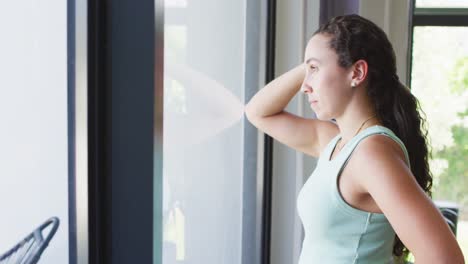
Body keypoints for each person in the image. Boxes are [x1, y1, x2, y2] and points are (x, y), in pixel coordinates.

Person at [245, 14, 465, 264]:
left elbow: (446, 259)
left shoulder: (372, 154)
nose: (305, 86)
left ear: (357, 72)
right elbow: (257, 112)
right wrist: (310, 61)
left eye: (315, 70)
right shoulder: (337, 143)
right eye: (308, 71)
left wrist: (319, 56)